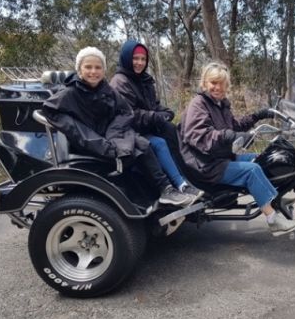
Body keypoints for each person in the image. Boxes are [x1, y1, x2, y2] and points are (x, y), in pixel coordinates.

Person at [42, 46, 193, 207]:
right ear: (79, 69)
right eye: (88, 67)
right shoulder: (71, 93)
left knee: (142, 144)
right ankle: (164, 188)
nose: (93, 72)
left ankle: (166, 189)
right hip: (90, 140)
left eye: (98, 67)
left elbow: (125, 111)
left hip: (110, 134)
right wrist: (77, 129)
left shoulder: (106, 89)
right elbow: (50, 109)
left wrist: (115, 132)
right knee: (138, 145)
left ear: (104, 70)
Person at [179, 61, 295, 237]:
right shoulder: (198, 104)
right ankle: (273, 219)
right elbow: (200, 136)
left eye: (222, 83)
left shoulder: (221, 105)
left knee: (262, 159)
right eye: (213, 82)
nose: (217, 87)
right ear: (205, 83)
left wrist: (259, 115)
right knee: (251, 171)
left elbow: (235, 126)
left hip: (221, 158)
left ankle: (273, 201)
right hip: (206, 165)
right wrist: (230, 136)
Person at [110, 40, 203, 201]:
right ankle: (178, 184)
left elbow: (154, 106)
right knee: (158, 143)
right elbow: (129, 114)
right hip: (126, 131)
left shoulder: (144, 80)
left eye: (143, 59)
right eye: (135, 58)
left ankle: (187, 176)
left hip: (144, 128)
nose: (139, 62)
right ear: (126, 58)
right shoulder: (120, 82)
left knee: (171, 130)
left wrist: (166, 113)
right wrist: (156, 116)